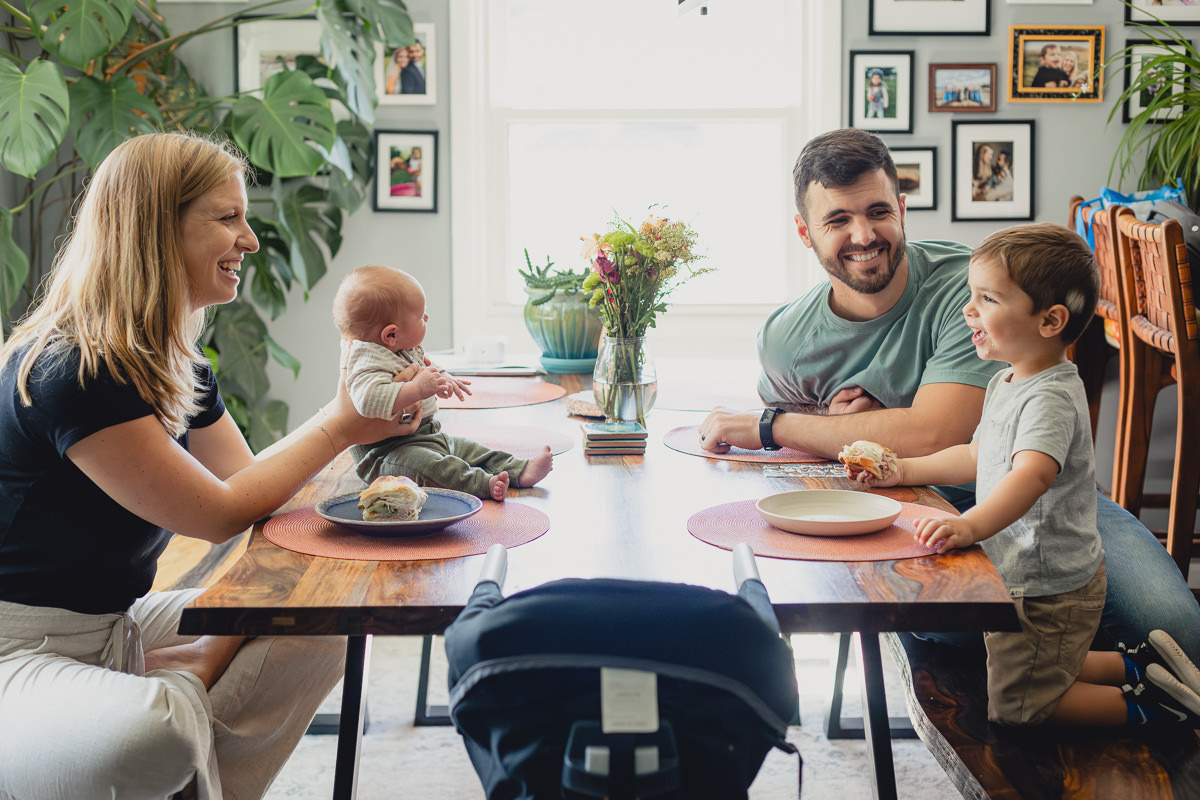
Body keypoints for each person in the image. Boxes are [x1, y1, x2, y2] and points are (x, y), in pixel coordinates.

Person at [0, 132, 415, 799]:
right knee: (153, 735)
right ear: (155, 231)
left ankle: (178, 760)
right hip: (17, 649)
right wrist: (340, 423)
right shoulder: (74, 369)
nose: (249, 240)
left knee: (318, 626)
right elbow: (218, 513)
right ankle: (166, 721)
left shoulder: (172, 365)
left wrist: (213, 646)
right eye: (228, 218)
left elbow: (250, 493)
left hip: (117, 624)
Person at [696, 127, 1200, 665]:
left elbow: (937, 432)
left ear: (903, 208)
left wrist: (772, 426)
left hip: (1043, 499)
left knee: (1173, 630)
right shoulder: (786, 339)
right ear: (805, 231)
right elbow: (797, 463)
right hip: (898, 509)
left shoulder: (971, 288)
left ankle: (1114, 691)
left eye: (878, 211)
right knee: (949, 622)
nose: (864, 234)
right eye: (838, 220)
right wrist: (823, 420)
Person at [850, 222, 1200, 728]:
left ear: (1050, 320)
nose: (969, 310)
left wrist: (970, 526)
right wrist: (902, 469)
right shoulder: (1008, 380)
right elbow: (976, 456)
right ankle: (1141, 665)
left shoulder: (1049, 397)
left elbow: (1030, 476)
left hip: (1048, 584)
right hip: (1021, 570)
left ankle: (1155, 708)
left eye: (988, 299)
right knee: (1049, 656)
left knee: (1018, 708)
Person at [334, 265, 554, 501]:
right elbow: (368, 400)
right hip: (386, 453)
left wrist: (442, 378)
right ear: (391, 335)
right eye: (420, 317)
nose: (426, 318)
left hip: (427, 435)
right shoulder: (365, 358)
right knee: (432, 466)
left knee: (469, 449)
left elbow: (421, 367)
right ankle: (482, 484)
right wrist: (417, 389)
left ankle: (518, 470)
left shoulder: (399, 348)